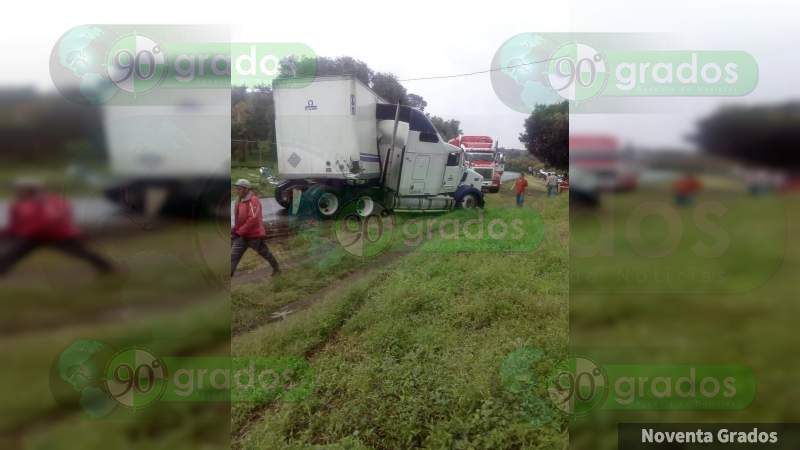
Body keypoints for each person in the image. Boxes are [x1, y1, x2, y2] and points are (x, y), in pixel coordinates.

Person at [0, 178, 115, 276]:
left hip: (52, 235)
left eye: (21, 190)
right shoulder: (19, 205)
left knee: (82, 252)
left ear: (30, 190)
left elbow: (57, 219)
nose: (18, 192)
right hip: (43, 236)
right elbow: (15, 225)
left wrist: (17, 232)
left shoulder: (48, 202)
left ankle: (108, 268)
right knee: (11, 254)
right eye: (18, 190)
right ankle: (108, 268)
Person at [231, 179, 280, 277]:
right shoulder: (239, 200)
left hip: (254, 236)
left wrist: (239, 232)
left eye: (239, 189)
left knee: (266, 254)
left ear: (246, 189)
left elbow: (252, 219)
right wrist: (235, 230)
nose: (237, 191)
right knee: (233, 257)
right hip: (242, 237)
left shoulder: (253, 200)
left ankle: (276, 268)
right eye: (237, 189)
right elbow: (239, 219)